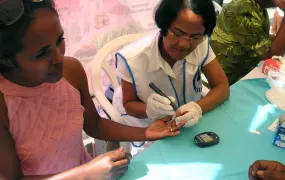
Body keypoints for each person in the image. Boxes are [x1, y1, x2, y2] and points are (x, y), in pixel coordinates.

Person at [0, 0, 187, 179]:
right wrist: (85, 174)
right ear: (7, 60)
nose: (58, 58)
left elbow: (94, 125)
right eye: (41, 53)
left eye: (59, 41)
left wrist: (145, 132)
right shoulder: (4, 105)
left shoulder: (71, 72)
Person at [113, 0, 230, 152]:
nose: (184, 44)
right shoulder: (131, 59)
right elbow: (129, 104)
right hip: (149, 126)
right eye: (177, 33)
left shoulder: (201, 45)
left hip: (188, 122)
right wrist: (149, 109)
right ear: (163, 26)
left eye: (195, 37)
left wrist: (197, 107)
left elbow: (222, 86)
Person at [211, 0, 285, 85]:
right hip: (231, 81)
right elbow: (272, 56)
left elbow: (264, 40)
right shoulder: (243, 10)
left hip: (247, 71)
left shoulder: (257, 6)